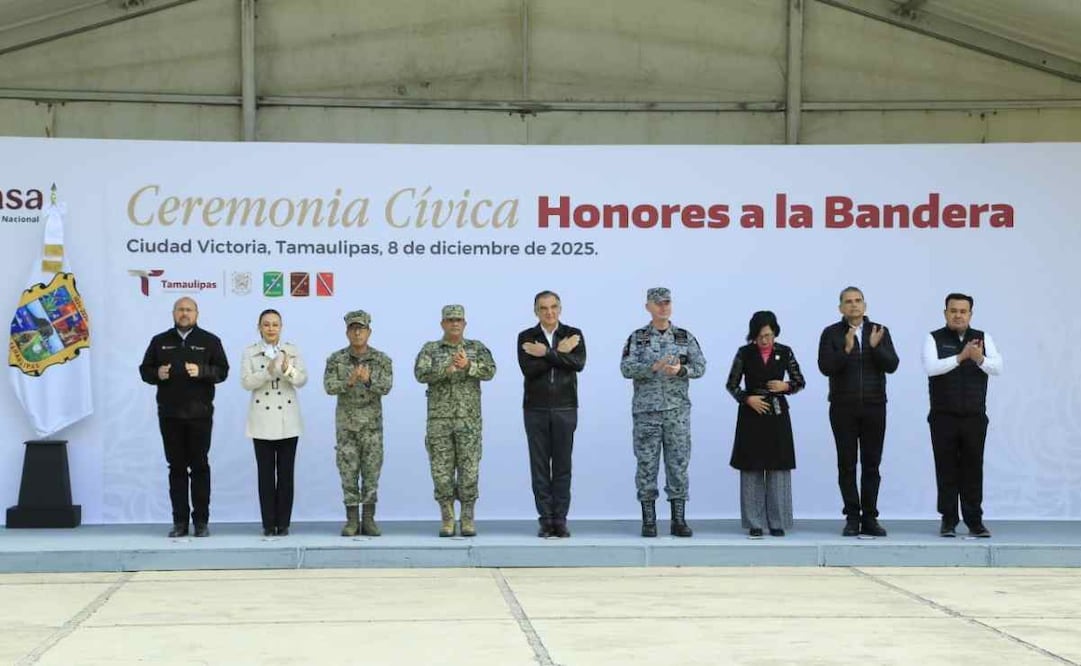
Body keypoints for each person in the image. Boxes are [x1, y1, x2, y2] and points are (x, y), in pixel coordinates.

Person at [138, 297, 229, 538]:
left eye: (189, 310)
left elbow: (223, 371)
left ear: (197, 314)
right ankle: (179, 522)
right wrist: (156, 373)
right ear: (173, 313)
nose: (184, 314)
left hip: (200, 416)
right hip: (170, 416)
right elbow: (144, 370)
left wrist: (202, 371)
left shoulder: (209, 341)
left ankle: (201, 522)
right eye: (180, 310)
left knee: (199, 467)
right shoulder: (160, 341)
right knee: (176, 468)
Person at [620, 287, 706, 537]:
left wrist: (681, 370)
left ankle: (678, 520)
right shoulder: (638, 337)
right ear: (648, 306)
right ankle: (649, 520)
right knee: (646, 465)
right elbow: (625, 368)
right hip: (647, 413)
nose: (663, 307)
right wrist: (652, 367)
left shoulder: (683, 337)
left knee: (678, 465)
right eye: (657, 303)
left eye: (667, 302)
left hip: (676, 413)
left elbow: (700, 366)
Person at [817, 287, 899, 537]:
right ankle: (852, 518)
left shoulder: (879, 331)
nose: (854, 305)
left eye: (858, 301)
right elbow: (825, 367)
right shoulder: (831, 333)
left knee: (872, 465)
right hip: (843, 406)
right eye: (848, 302)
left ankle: (870, 518)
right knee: (847, 464)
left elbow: (892, 365)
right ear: (840, 307)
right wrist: (846, 349)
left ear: (865, 305)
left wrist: (875, 348)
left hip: (875, 406)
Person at [923, 293, 1002, 538]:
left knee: (972, 468)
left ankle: (974, 521)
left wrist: (979, 359)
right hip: (943, 416)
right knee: (946, 468)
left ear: (970, 314)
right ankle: (948, 519)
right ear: (945, 312)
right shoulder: (933, 338)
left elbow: (997, 367)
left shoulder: (983, 338)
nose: (958, 315)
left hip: (974, 417)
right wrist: (960, 357)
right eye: (953, 310)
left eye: (963, 311)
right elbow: (931, 368)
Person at [414, 304, 496, 537]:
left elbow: (490, 370)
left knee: (469, 471)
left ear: (465, 323)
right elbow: (420, 374)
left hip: (469, 422)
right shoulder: (430, 349)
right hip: (439, 421)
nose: (454, 323)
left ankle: (468, 517)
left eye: (458, 320)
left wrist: (469, 366)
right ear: (442, 323)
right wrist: (447, 370)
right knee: (441, 472)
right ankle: (448, 518)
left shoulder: (476, 348)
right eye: (450, 320)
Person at [726, 310, 805, 539]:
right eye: (760, 336)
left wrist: (786, 387)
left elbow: (800, 381)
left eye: (769, 335)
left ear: (775, 333)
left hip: (777, 414)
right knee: (751, 467)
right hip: (751, 414)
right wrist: (747, 398)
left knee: (778, 467)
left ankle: (778, 521)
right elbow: (731, 384)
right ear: (753, 335)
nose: (765, 340)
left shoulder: (784, 352)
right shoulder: (744, 353)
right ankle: (755, 523)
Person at [518, 290, 586, 538]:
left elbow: (577, 364)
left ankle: (560, 519)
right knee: (539, 467)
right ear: (536, 311)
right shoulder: (526, 337)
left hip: (565, 408)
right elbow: (529, 369)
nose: (549, 312)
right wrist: (560, 353)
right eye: (544, 308)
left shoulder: (573, 335)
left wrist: (546, 352)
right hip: (535, 409)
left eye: (553, 307)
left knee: (562, 466)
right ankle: (545, 520)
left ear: (560, 308)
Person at [323, 310, 393, 537]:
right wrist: (349, 381)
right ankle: (352, 520)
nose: (357, 332)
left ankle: (369, 519)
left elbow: (386, 387)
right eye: (353, 328)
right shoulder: (336, 359)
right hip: (347, 428)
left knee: (371, 474)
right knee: (348, 473)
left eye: (361, 328)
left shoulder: (381, 359)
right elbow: (329, 387)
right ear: (347, 332)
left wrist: (368, 379)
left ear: (369, 331)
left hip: (372, 428)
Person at [240, 309, 308, 537]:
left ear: (281, 327)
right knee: (266, 475)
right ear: (259, 327)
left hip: (288, 420)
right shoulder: (250, 352)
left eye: (275, 324)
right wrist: (267, 373)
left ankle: (284, 523)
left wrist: (287, 368)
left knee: (286, 475)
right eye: (266, 324)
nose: (271, 328)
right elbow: (246, 382)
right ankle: (268, 524)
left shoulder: (292, 350)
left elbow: (302, 380)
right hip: (261, 421)